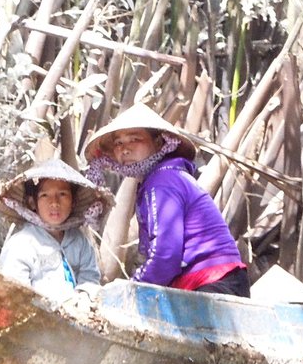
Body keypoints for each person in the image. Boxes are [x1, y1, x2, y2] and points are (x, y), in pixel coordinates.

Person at [83, 103, 249, 297]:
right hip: (214, 281)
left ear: (160, 143)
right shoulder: (162, 177)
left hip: (212, 282)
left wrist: (132, 289)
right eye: (118, 143)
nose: (124, 149)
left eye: (135, 139)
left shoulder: (162, 182)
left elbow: (165, 254)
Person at [0, 157, 109, 302]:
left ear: (73, 202)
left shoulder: (79, 241)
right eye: (44, 195)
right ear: (32, 203)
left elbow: (90, 276)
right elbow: (16, 294)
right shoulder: (22, 244)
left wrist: (84, 296)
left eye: (62, 194)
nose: (54, 203)